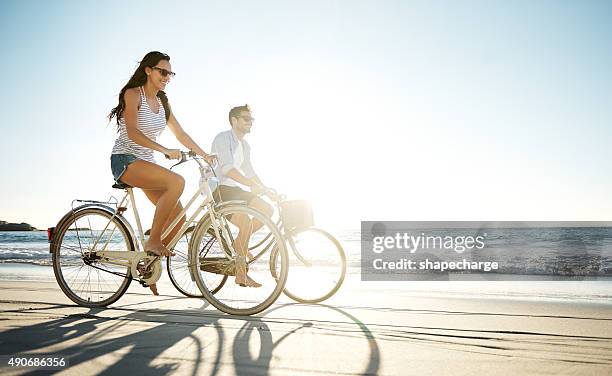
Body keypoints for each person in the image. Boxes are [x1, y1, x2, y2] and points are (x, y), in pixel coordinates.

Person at [108, 51, 214, 294]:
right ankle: (152, 241)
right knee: (177, 182)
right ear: (148, 70)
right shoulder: (134, 94)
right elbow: (132, 132)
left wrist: (204, 154)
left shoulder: (163, 103)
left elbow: (181, 134)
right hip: (125, 161)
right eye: (163, 72)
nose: (167, 77)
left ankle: (148, 264)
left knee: (178, 222)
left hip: (145, 163)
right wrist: (163, 149)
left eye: (170, 73)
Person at [211, 104, 274, 288]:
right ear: (234, 121)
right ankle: (240, 274)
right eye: (246, 119)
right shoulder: (222, 138)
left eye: (251, 119)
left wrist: (265, 188)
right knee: (245, 222)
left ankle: (239, 244)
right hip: (219, 189)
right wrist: (251, 185)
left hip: (234, 189)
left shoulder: (245, 145)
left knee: (267, 209)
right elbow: (227, 169)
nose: (250, 122)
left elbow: (249, 171)